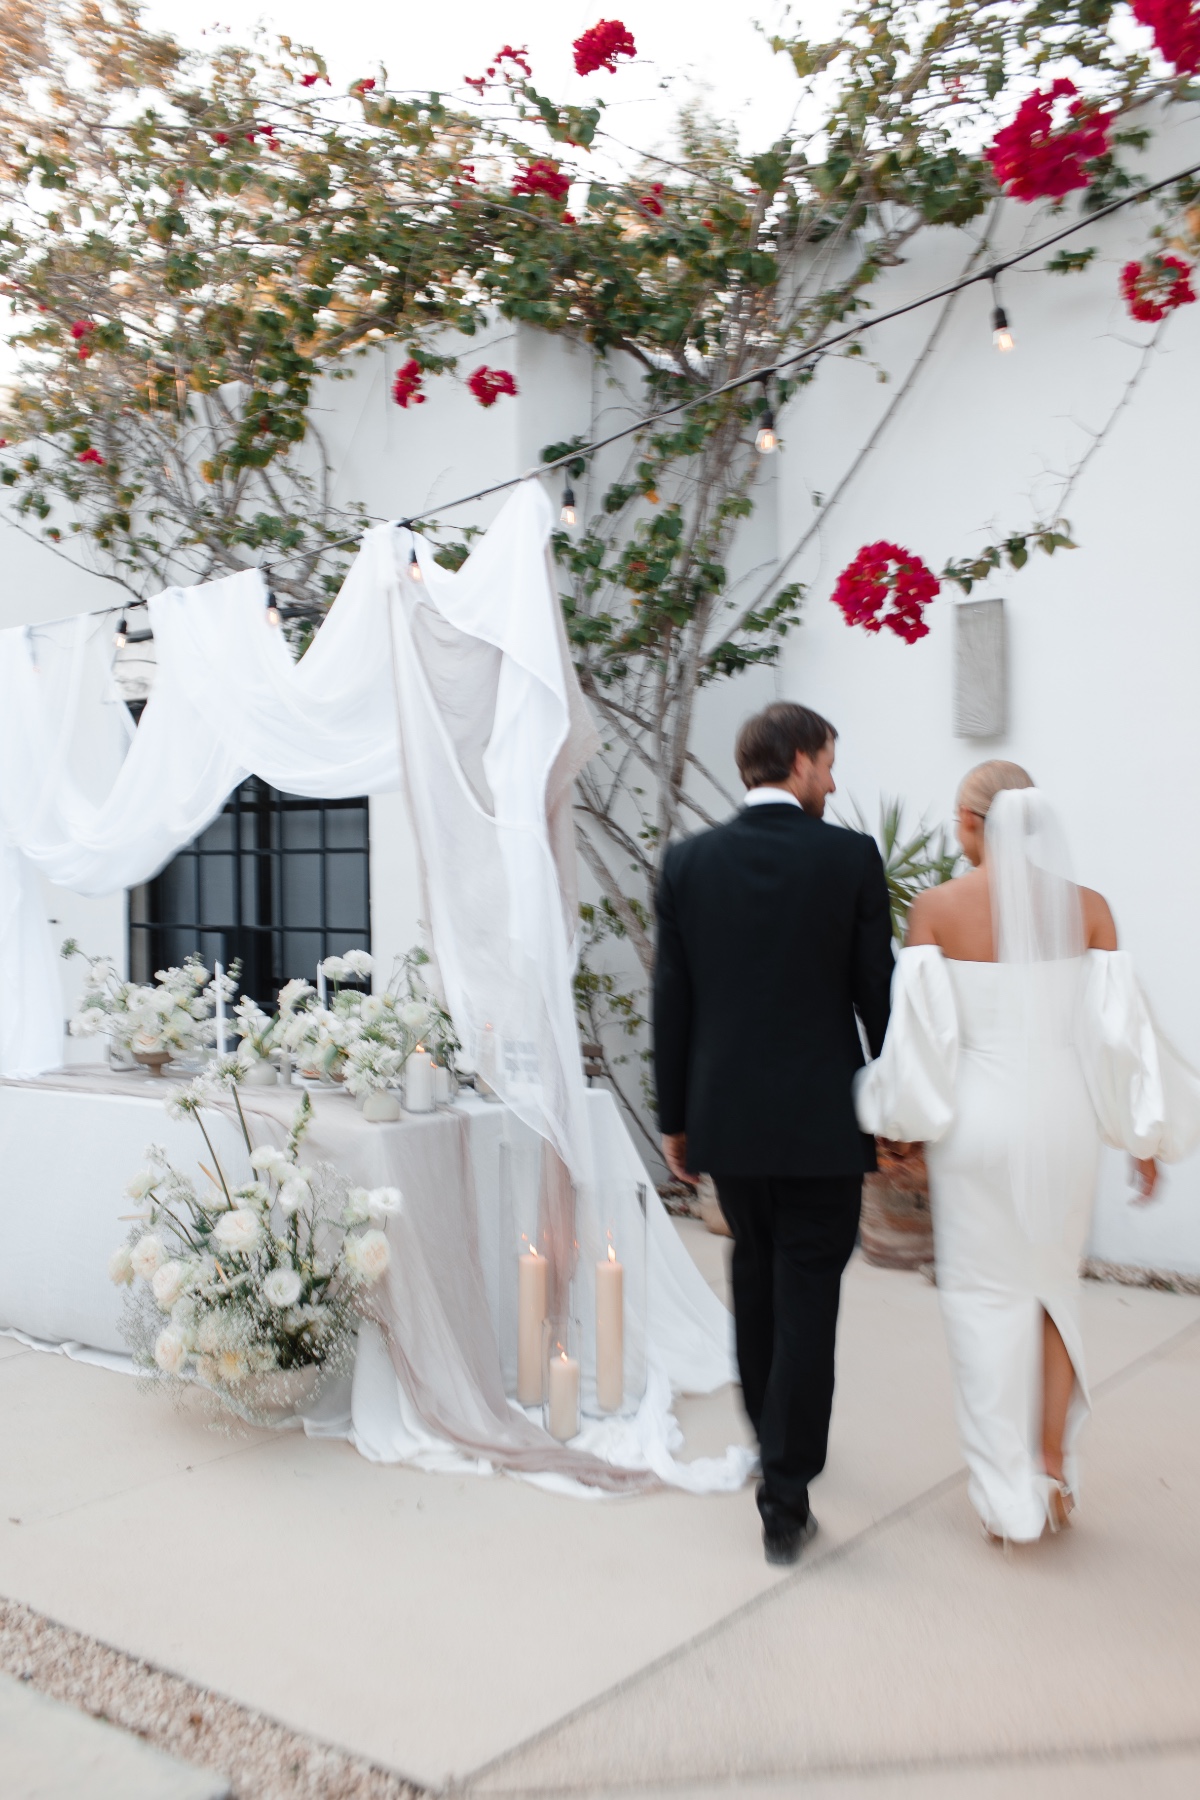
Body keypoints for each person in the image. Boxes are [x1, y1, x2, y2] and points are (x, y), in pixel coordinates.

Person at [857, 760, 1200, 1544]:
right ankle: (1051, 1465)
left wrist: (900, 1128)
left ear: (978, 824)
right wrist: (1141, 1135)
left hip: (978, 1128)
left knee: (982, 1301)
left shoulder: (936, 910)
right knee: (1052, 1289)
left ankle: (1006, 1496)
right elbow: (1120, 1037)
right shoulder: (1090, 909)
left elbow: (920, 1046)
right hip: (1065, 1121)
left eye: (957, 816)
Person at [653, 701, 893, 1564]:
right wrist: (895, 1109)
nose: (833, 778)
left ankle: (768, 1439)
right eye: (828, 761)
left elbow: (671, 1003)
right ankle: (784, 1495)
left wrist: (675, 1118)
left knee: (753, 1276)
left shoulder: (688, 863)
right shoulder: (851, 858)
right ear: (796, 762)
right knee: (807, 1294)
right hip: (822, 1120)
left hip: (728, 1118)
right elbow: (878, 996)